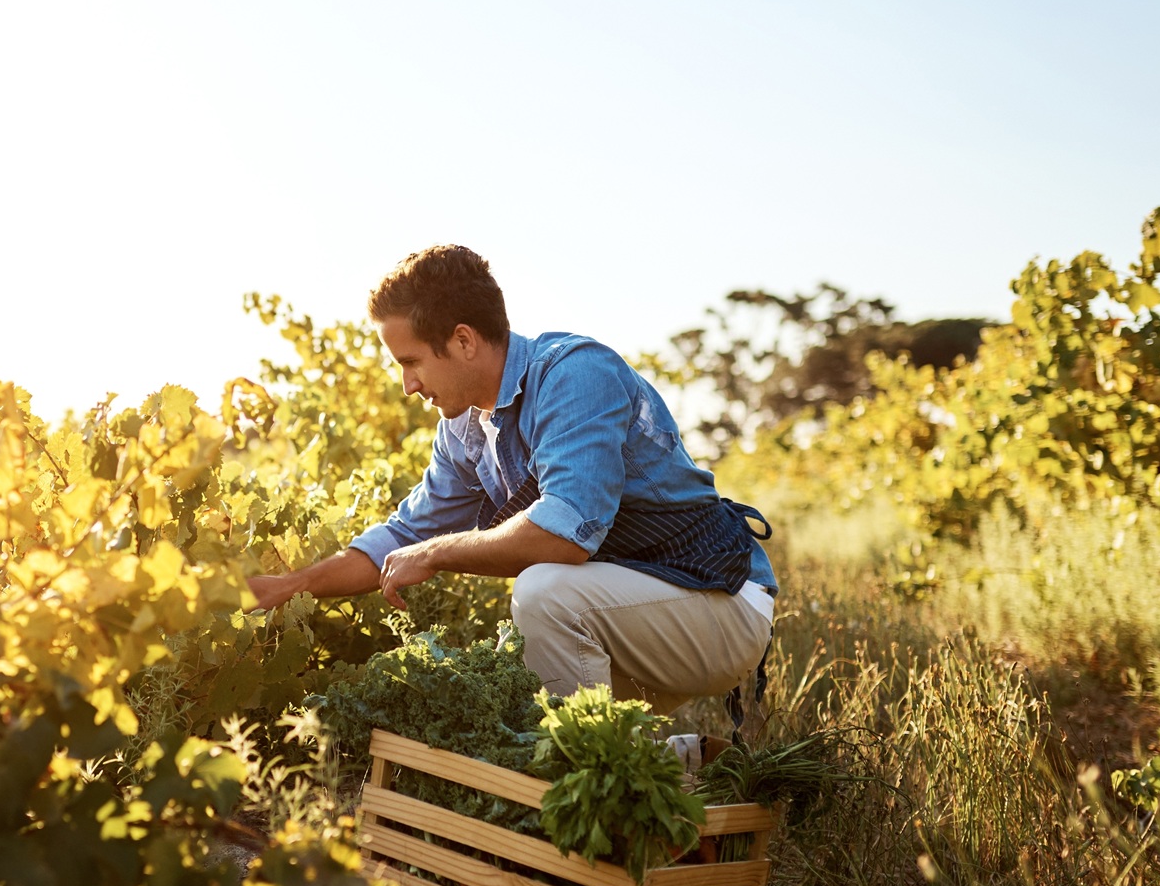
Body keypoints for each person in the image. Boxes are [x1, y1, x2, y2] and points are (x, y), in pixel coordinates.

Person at [247, 245, 775, 719]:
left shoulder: (574, 374)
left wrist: (435, 553)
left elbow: (564, 536)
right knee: (508, 701)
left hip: (719, 602)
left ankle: (593, 769)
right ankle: (680, 768)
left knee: (543, 594)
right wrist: (289, 587)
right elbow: (402, 538)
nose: (407, 385)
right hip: (630, 613)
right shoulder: (463, 430)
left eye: (411, 362)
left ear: (463, 340)